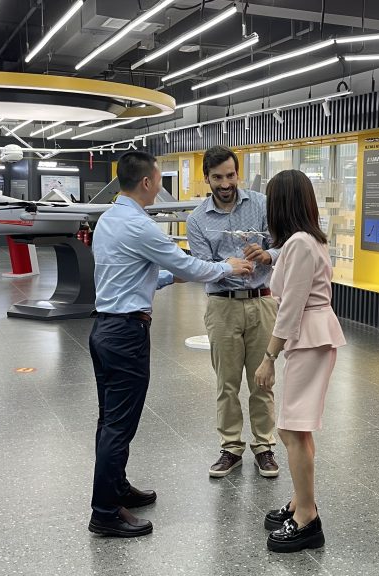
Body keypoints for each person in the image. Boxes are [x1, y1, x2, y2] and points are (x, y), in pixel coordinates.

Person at [87, 150, 253, 538]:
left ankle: (116, 488)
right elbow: (190, 264)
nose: (161, 183)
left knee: (109, 419)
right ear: (147, 182)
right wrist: (227, 267)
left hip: (106, 329)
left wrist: (164, 279)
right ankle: (105, 511)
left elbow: (127, 274)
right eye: (159, 177)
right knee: (118, 425)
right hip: (125, 334)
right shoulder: (140, 225)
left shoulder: (111, 218)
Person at [255, 170, 346, 553]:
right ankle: (299, 501)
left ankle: (307, 517)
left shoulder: (298, 244)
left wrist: (268, 357)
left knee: (293, 429)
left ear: (281, 205)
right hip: (313, 336)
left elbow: (290, 307)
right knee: (297, 428)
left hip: (308, 336)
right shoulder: (310, 240)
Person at [186, 146, 282, 479]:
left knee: (263, 380)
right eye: (217, 177)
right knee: (227, 382)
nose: (225, 183)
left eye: (230, 175)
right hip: (222, 304)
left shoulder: (262, 205)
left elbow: (287, 244)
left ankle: (264, 447)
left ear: (237, 173)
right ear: (207, 178)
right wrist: (226, 267)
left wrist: (268, 254)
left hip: (262, 301)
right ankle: (230, 448)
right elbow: (199, 266)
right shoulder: (197, 219)